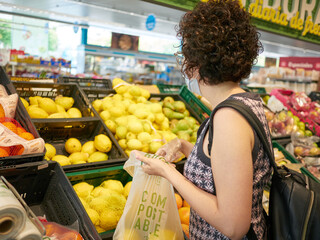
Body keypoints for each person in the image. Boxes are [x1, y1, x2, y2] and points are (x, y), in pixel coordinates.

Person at [135, 0, 272, 239]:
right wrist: (183, 146)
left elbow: (233, 226)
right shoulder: (246, 102)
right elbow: (224, 163)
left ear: (196, 64)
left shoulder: (230, 117)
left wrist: (168, 172)